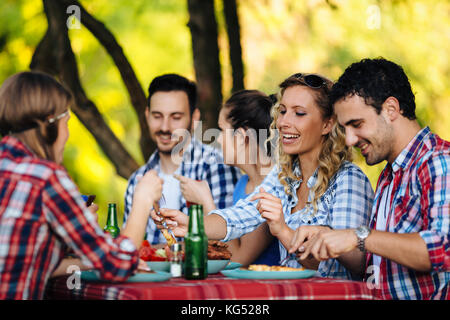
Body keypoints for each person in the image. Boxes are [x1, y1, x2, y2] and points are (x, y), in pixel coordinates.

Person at [152, 73, 375, 280]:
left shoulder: (348, 180)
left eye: (299, 113)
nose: (284, 122)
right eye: (283, 111)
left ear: (327, 124)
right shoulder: (284, 176)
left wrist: (284, 231)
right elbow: (238, 217)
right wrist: (192, 223)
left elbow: (356, 263)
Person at [290, 58, 449, 299]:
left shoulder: (438, 161)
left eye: (357, 124)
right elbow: (378, 263)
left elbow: (442, 248)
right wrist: (328, 234)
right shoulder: (389, 175)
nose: (350, 140)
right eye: (345, 129)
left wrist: (357, 235)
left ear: (391, 109)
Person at [0, 71, 163, 299]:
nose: (67, 135)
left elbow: (24, 261)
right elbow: (118, 264)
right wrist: (143, 199)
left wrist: (86, 254)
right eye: (66, 123)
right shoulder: (45, 178)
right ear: (48, 123)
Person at [123, 74, 241, 246]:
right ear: (147, 115)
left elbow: (225, 247)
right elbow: (128, 250)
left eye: (176, 117)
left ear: (194, 118)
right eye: (157, 116)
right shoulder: (137, 181)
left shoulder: (218, 167)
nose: (165, 127)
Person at [175, 89, 279, 266]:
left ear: (241, 137)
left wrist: (206, 202)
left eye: (222, 130)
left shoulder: (271, 188)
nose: (219, 139)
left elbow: (238, 258)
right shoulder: (243, 183)